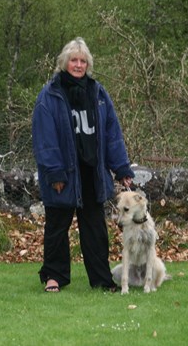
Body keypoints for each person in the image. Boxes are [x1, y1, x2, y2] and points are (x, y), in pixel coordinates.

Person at [32, 37, 134, 293]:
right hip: (63, 173)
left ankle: (101, 279)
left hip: (91, 173)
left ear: (88, 64)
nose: (78, 65)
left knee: (95, 230)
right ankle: (54, 277)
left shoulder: (98, 93)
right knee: (57, 226)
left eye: (82, 61)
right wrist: (54, 172)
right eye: (73, 60)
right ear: (64, 63)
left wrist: (121, 168)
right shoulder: (50, 95)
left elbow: (112, 133)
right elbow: (45, 138)